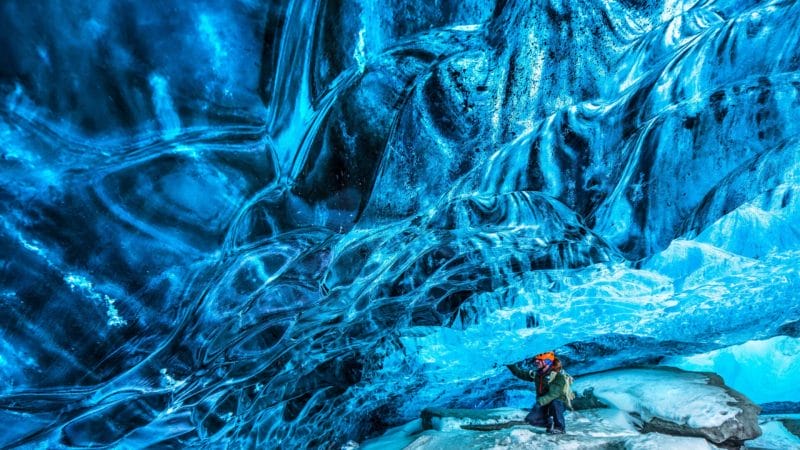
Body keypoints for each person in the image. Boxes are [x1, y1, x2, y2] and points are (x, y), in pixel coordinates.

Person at [524, 351, 568, 434]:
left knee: (555, 403)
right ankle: (549, 424)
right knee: (530, 420)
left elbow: (554, 394)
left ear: (547, 361)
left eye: (540, 360)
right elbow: (520, 374)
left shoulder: (558, 375)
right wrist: (510, 365)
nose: (536, 362)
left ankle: (560, 428)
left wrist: (540, 402)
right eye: (536, 360)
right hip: (545, 403)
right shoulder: (538, 374)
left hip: (557, 402)